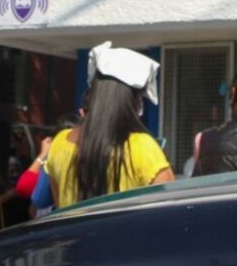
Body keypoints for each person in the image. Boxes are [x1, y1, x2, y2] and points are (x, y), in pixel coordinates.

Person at [44, 42, 173, 207]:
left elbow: (59, 206)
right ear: (131, 99)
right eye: (140, 97)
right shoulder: (143, 147)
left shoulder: (60, 142)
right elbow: (168, 210)